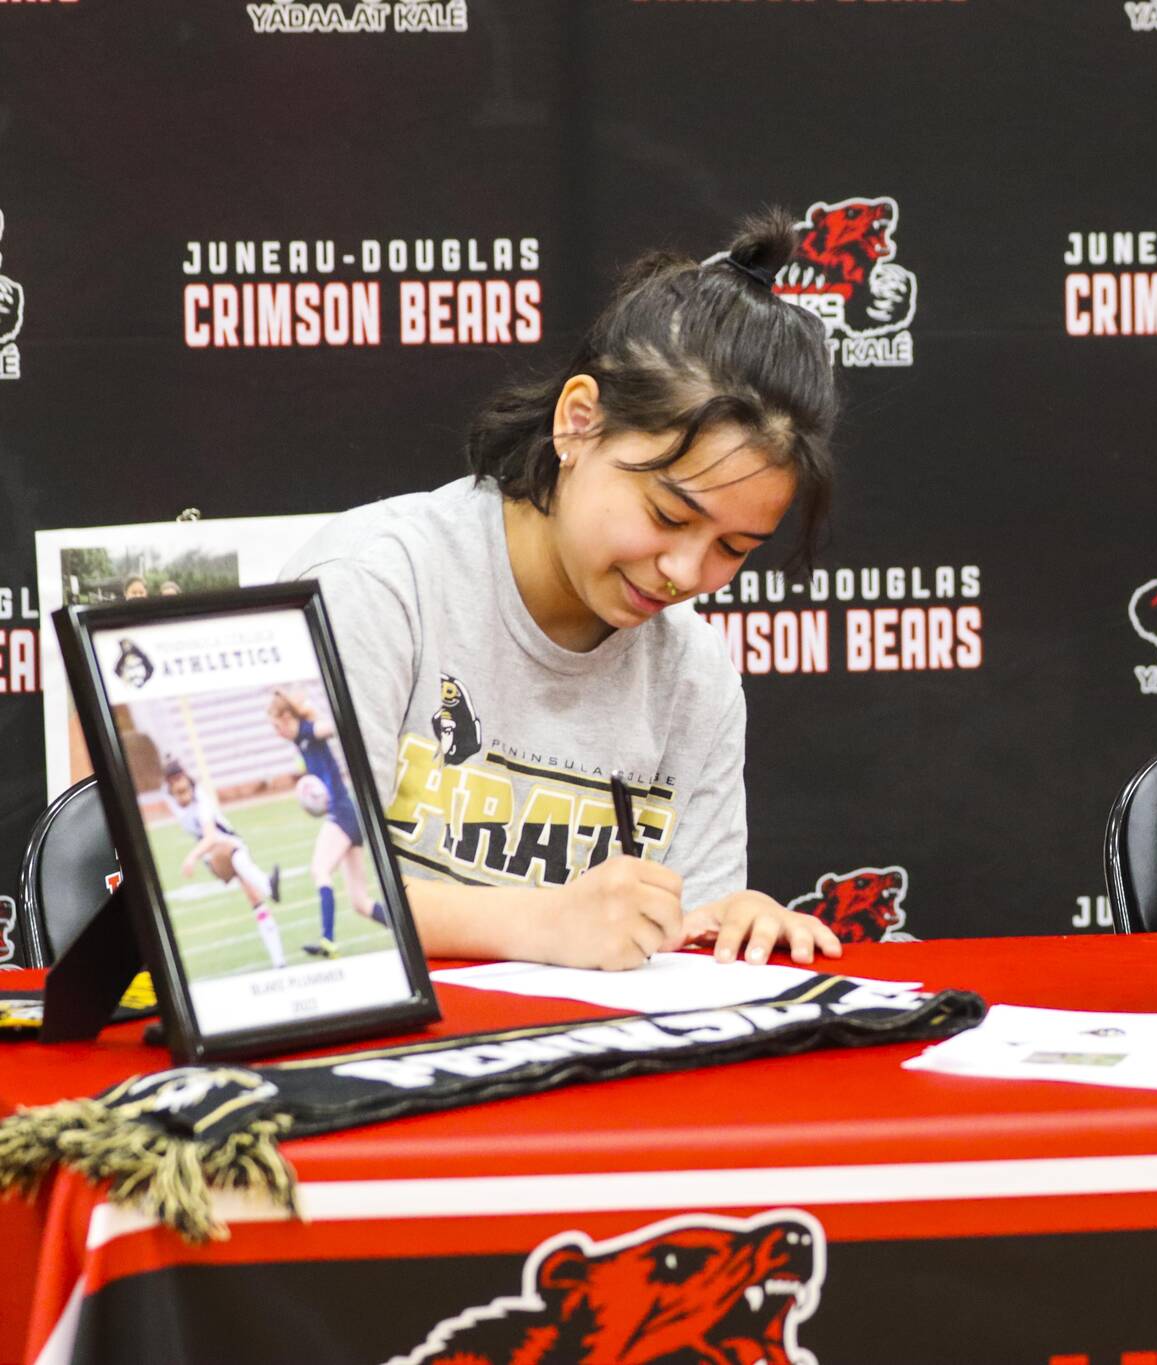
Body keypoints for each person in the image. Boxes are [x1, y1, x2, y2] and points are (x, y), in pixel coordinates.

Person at [280, 213, 846, 972]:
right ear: (578, 423)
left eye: (734, 548)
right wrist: (538, 923)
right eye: (669, 515)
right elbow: (295, 893)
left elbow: (677, 942)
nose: (686, 573)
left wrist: (724, 924)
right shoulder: (378, 583)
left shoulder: (694, 670)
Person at [267, 689, 388, 958]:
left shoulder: (309, 732)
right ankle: (406, 929)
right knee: (360, 902)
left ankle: (328, 941)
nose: (276, 733)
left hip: (341, 814)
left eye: (276, 726)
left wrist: (319, 716)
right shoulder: (300, 739)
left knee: (320, 870)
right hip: (348, 816)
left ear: (286, 718)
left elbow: (331, 727)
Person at [162, 757, 289, 970]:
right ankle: (268, 886)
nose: (184, 795)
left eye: (186, 789)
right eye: (178, 791)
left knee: (254, 898)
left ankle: (279, 961)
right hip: (213, 856)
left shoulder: (201, 800)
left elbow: (211, 836)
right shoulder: (169, 798)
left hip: (226, 844)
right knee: (238, 863)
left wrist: (191, 857)